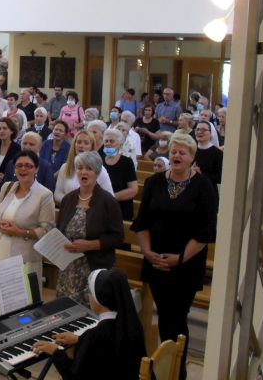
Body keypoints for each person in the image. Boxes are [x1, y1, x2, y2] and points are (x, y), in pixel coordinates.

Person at [132, 132, 217, 379]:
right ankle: (166, 368)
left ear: (192, 157)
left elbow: (206, 231)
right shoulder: (155, 182)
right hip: (156, 261)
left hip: (185, 265)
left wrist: (179, 258)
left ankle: (176, 372)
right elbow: (142, 222)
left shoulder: (203, 186)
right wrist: (148, 252)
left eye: (182, 152)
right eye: (173, 151)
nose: (176, 155)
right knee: (165, 315)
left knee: (177, 319)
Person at [32, 269, 146, 379]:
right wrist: (80, 340)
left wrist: (56, 352)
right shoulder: (132, 325)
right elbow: (105, 351)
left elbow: (74, 376)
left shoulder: (96, 335)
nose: (88, 297)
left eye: (90, 293)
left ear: (99, 299)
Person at [56, 151, 124, 304]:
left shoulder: (108, 201)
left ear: (97, 172)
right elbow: (61, 229)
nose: (83, 172)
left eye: (89, 168)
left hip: (94, 267)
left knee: (90, 311)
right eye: (80, 168)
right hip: (68, 267)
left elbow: (118, 238)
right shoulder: (68, 199)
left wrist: (90, 245)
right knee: (66, 310)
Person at [0, 151, 55, 290]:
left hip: (24, 257)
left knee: (18, 298)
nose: (23, 169)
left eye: (28, 166)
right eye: (19, 165)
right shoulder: (7, 187)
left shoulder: (45, 195)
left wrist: (19, 232)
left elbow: (47, 230)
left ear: (36, 169)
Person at [54, 130, 114, 205]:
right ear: (74, 145)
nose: (81, 146)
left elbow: (110, 196)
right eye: (79, 142)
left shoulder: (100, 169)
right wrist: (74, 202)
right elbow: (57, 194)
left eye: (86, 143)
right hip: (69, 208)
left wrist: (85, 202)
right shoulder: (65, 167)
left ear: (91, 147)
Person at [102, 129, 138, 221]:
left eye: (111, 141)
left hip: (121, 209)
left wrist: (110, 198)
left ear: (120, 144)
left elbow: (133, 190)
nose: (108, 143)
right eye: (106, 141)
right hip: (102, 208)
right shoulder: (99, 161)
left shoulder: (127, 162)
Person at [193, 120, 223, 193]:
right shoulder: (191, 150)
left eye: (203, 130)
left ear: (211, 133)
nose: (199, 132)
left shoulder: (217, 153)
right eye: (197, 129)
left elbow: (220, 177)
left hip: (208, 191)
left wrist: (201, 174)